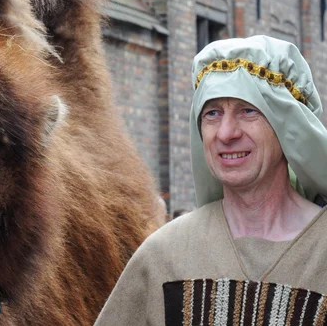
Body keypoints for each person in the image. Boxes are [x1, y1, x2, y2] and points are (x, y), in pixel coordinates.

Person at [95, 35, 327, 325]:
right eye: (213, 113)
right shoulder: (166, 255)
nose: (226, 133)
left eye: (248, 111)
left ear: (288, 125)